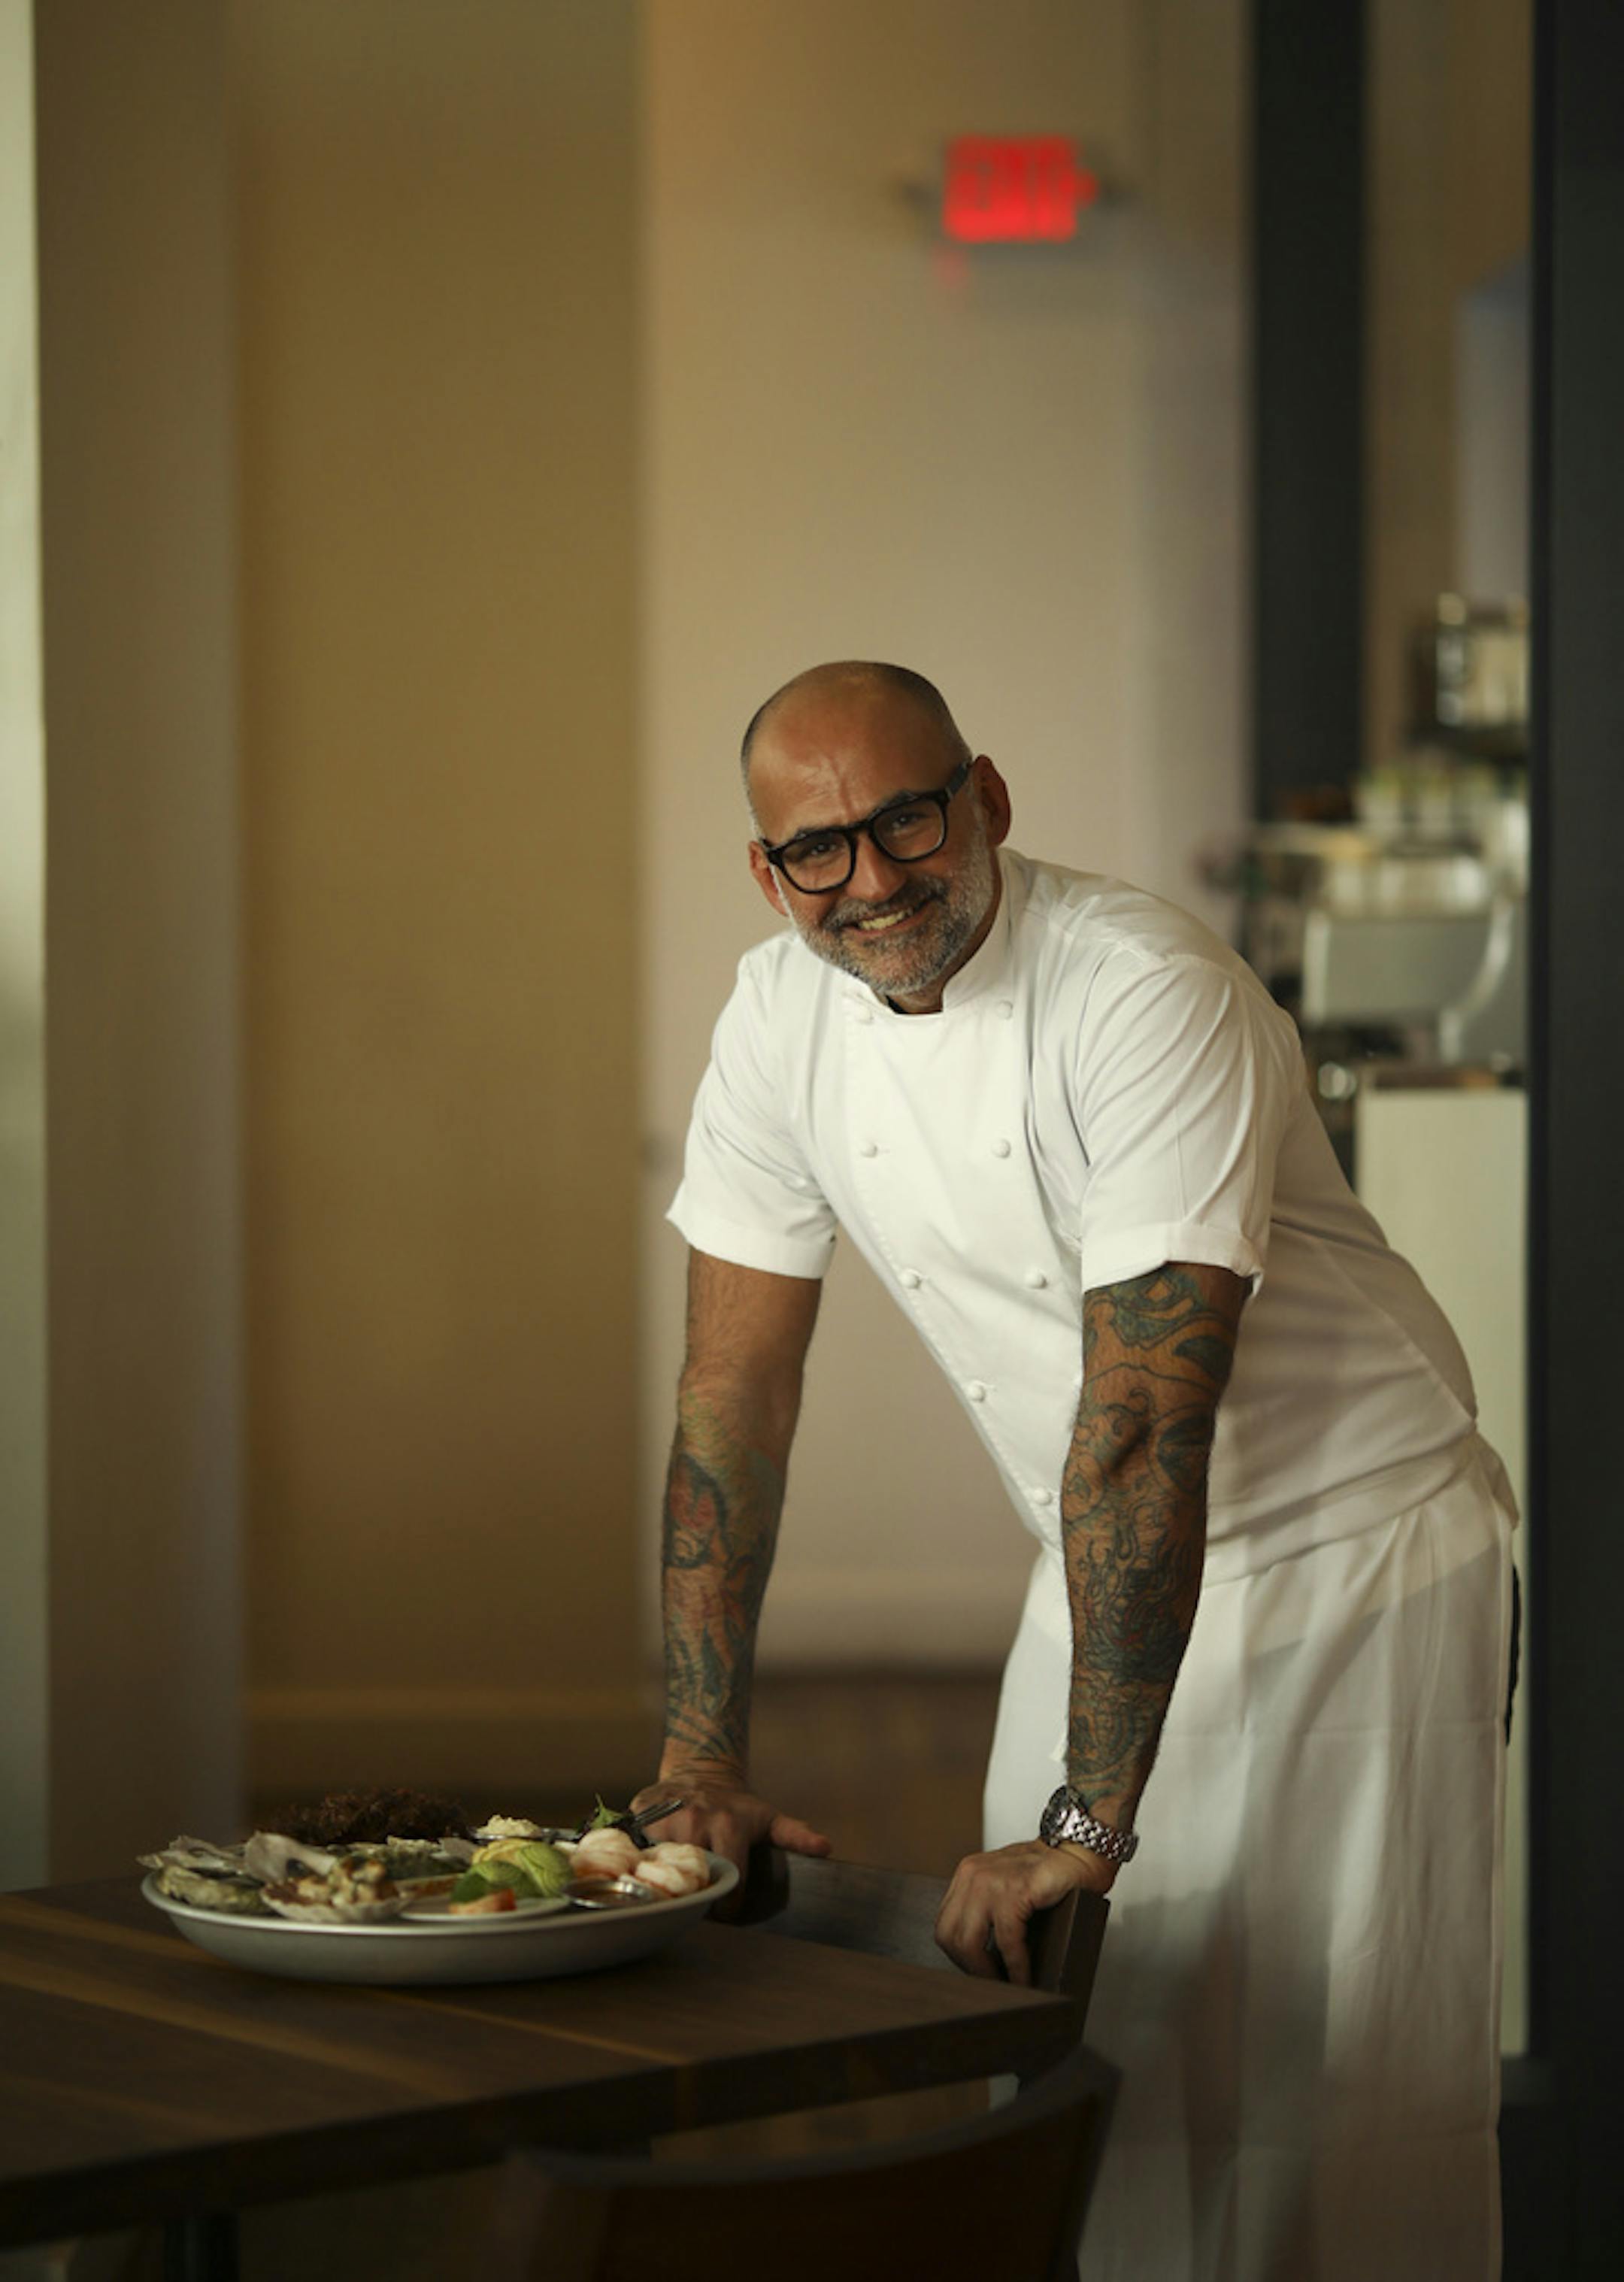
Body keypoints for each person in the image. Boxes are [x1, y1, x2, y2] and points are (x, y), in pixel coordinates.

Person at [634, 660, 1516, 2281]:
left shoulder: (1141, 988)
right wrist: (702, 1758)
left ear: (986, 799)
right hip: (1101, 1553)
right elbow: (732, 1393)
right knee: (1073, 2042)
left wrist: (1087, 1821)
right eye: (819, 847)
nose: (873, 879)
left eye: (909, 821)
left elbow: (1143, 1421)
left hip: (1356, 1548)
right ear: (768, 875)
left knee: (1331, 2100)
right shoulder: (774, 1019)